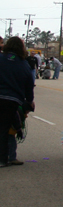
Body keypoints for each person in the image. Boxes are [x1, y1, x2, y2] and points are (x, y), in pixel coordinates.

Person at [0, 37, 35, 168]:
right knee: (4, 129)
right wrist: (29, 101)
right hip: (11, 101)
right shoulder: (23, 64)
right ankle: (3, 159)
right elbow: (29, 85)